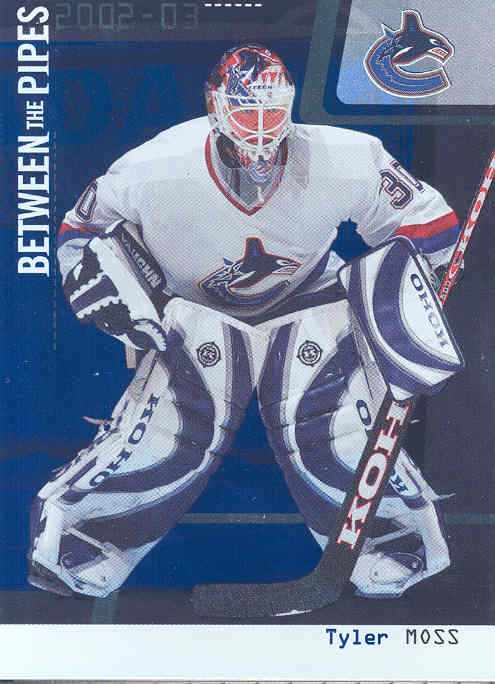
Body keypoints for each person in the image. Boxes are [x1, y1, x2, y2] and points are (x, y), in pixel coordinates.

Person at [28, 44, 462, 601]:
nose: (260, 129)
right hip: (192, 309)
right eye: (245, 112)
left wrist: (409, 288)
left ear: (289, 106)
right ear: (215, 107)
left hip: (307, 298)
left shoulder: (346, 157)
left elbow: (428, 223)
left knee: (332, 426)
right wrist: (106, 288)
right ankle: (83, 538)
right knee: (172, 431)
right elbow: (80, 233)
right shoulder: (153, 166)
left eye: (271, 112)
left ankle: (390, 542)